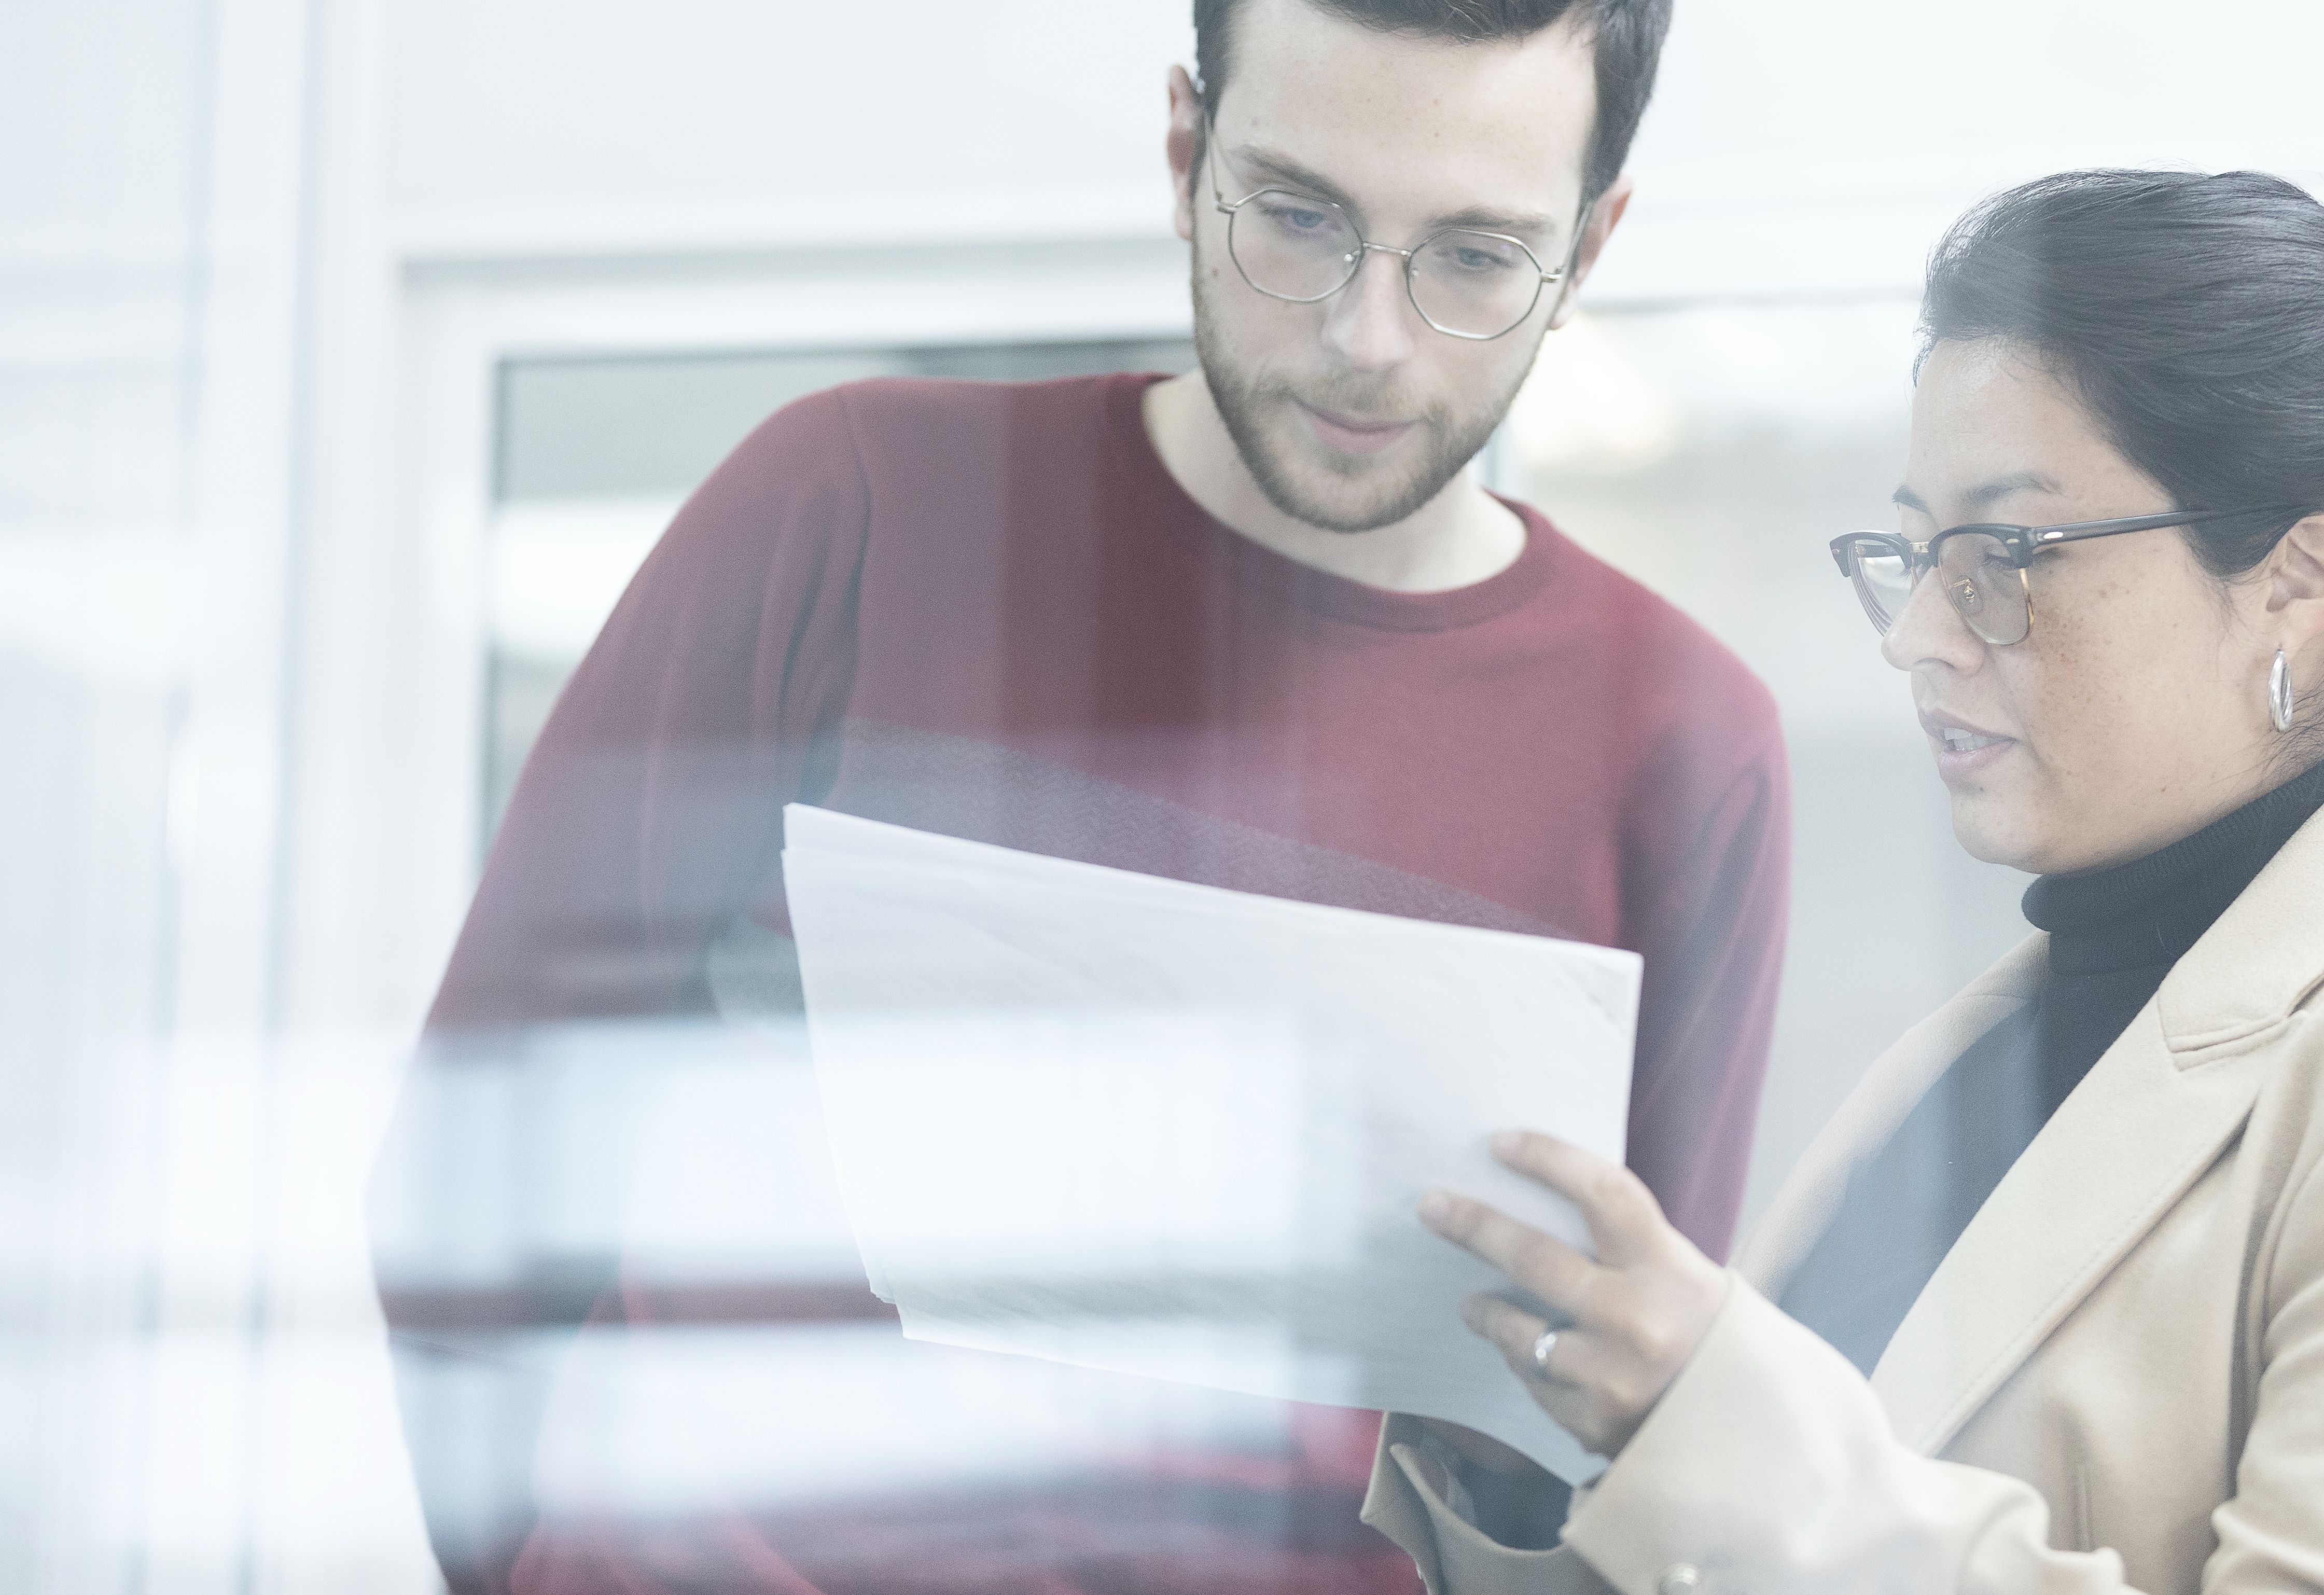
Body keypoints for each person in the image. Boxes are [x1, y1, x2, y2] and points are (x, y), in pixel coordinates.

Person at [371, 2, 1792, 1591]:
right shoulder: (851, 507)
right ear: (1186, 154)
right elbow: (474, 1168)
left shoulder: (1682, 744)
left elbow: (1604, 1439)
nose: (1366, 337)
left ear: (1586, 248)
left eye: (1472, 255)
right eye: (1296, 216)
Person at [1375, 169, 2324, 1594]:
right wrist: (1536, 1431)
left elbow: (1796, 1505)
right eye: (1917, 551)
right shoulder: (1973, 1056)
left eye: (2003, 553)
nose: (1913, 633)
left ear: (2298, 578)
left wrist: (1711, 1434)